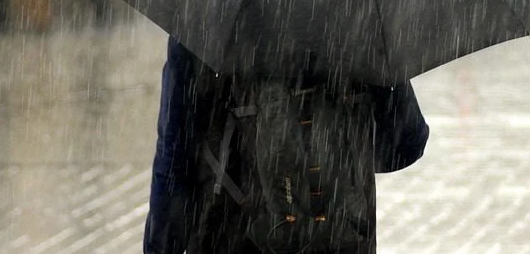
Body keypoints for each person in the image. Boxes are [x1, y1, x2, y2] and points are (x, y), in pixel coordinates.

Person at [144, 37, 430, 254]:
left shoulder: (207, 12)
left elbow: (174, 158)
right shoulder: (357, 8)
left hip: (231, 235)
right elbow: (405, 144)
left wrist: (160, 245)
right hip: (340, 235)